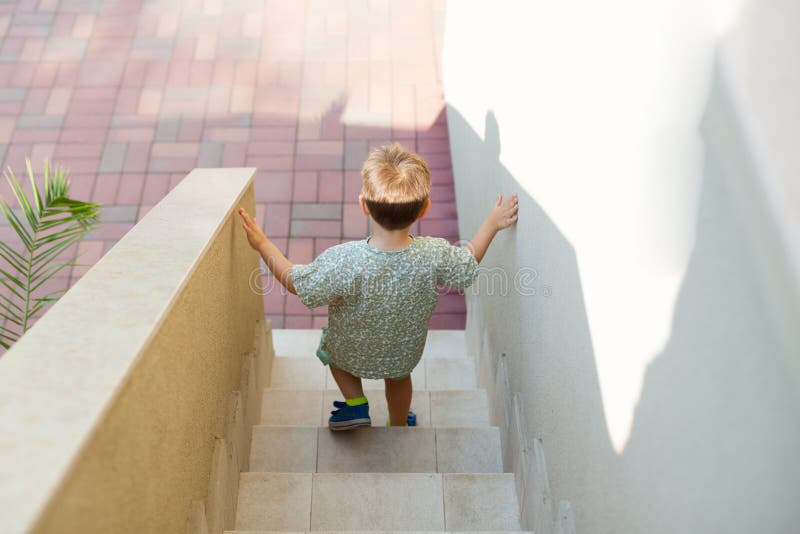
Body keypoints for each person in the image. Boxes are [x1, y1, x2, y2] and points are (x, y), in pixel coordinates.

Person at [238, 142, 518, 430]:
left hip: (349, 347)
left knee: (333, 357)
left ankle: (356, 405)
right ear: (424, 209)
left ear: (363, 205)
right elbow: (466, 263)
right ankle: (398, 424)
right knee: (399, 381)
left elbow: (297, 283)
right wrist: (492, 224)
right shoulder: (433, 254)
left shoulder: (344, 259)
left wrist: (261, 244)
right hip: (402, 351)